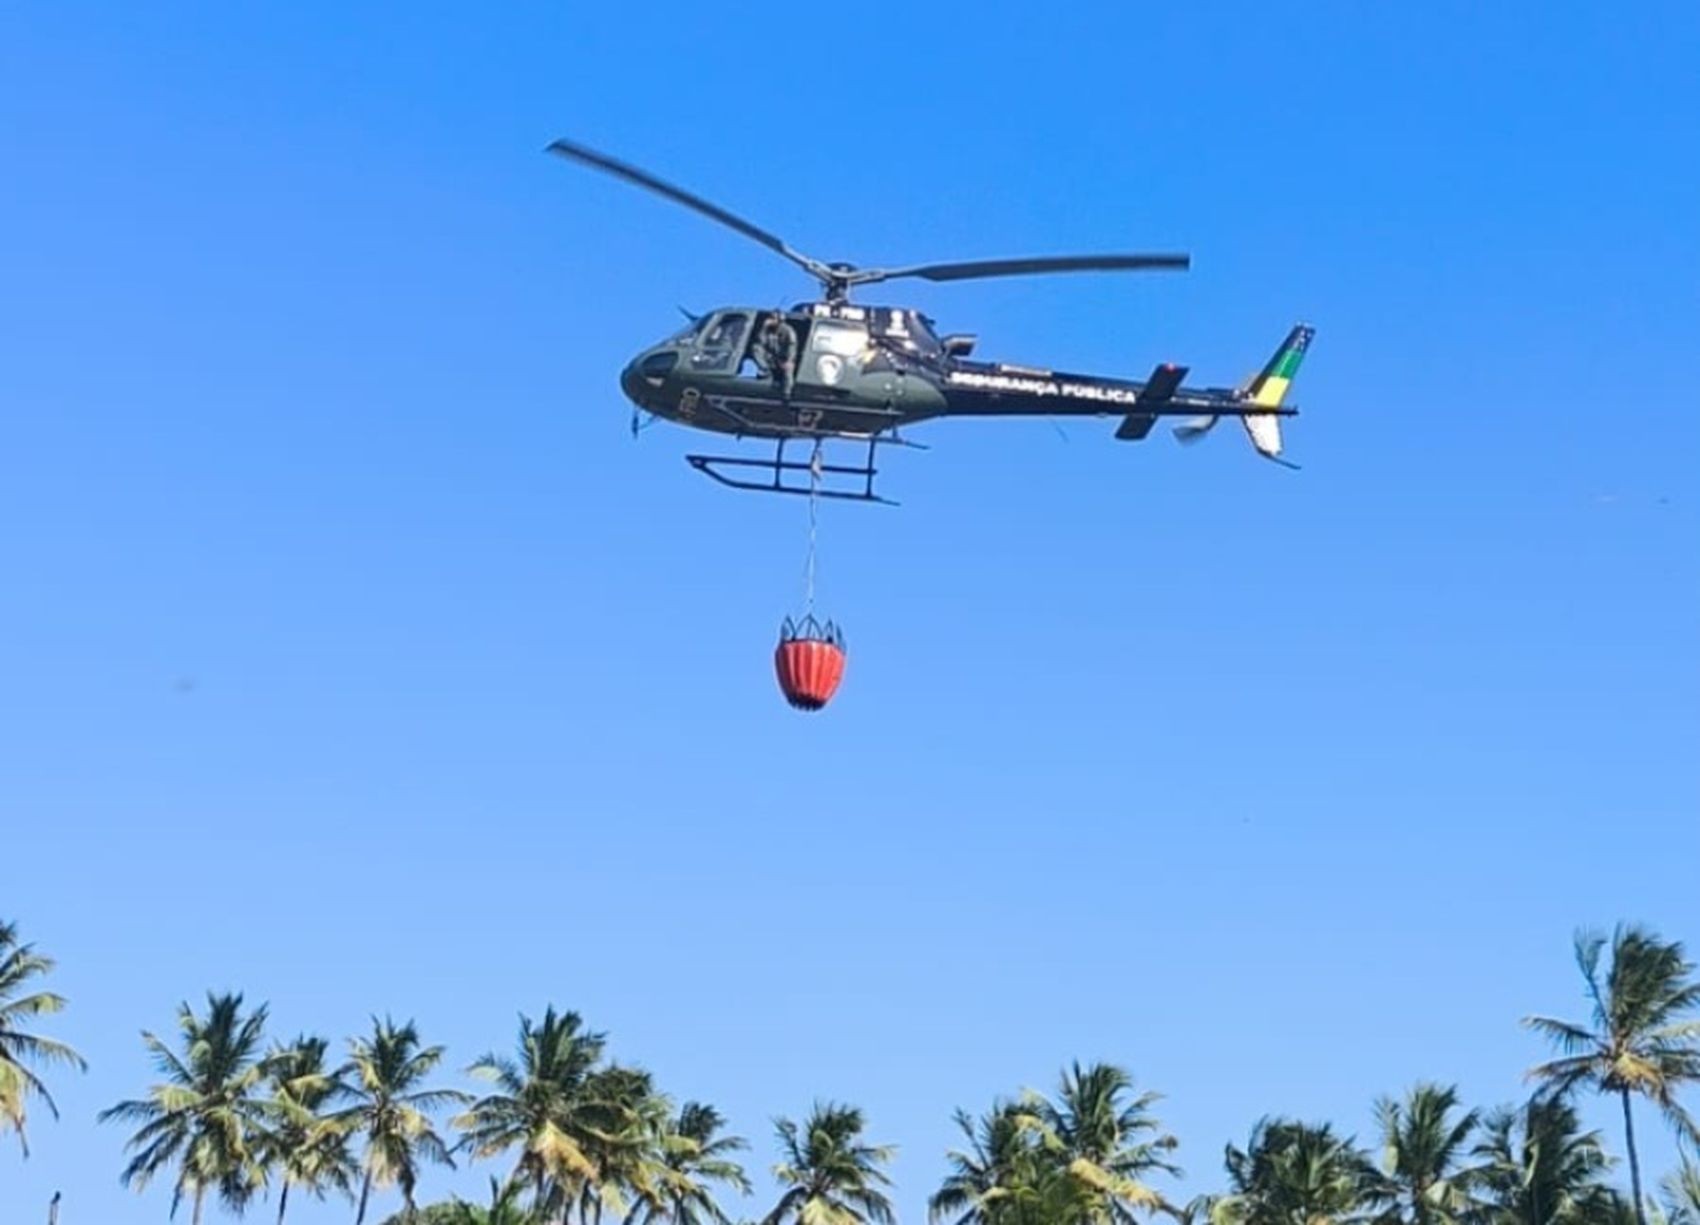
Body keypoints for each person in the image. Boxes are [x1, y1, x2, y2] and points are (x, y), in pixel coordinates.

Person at [753, 312, 797, 401]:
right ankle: (765, 371)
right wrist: (764, 327)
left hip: (783, 358)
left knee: (788, 370)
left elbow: (792, 346)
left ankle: (787, 393)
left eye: (773, 319)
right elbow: (760, 341)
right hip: (771, 357)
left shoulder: (788, 331)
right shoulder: (767, 330)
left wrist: (789, 360)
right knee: (756, 348)